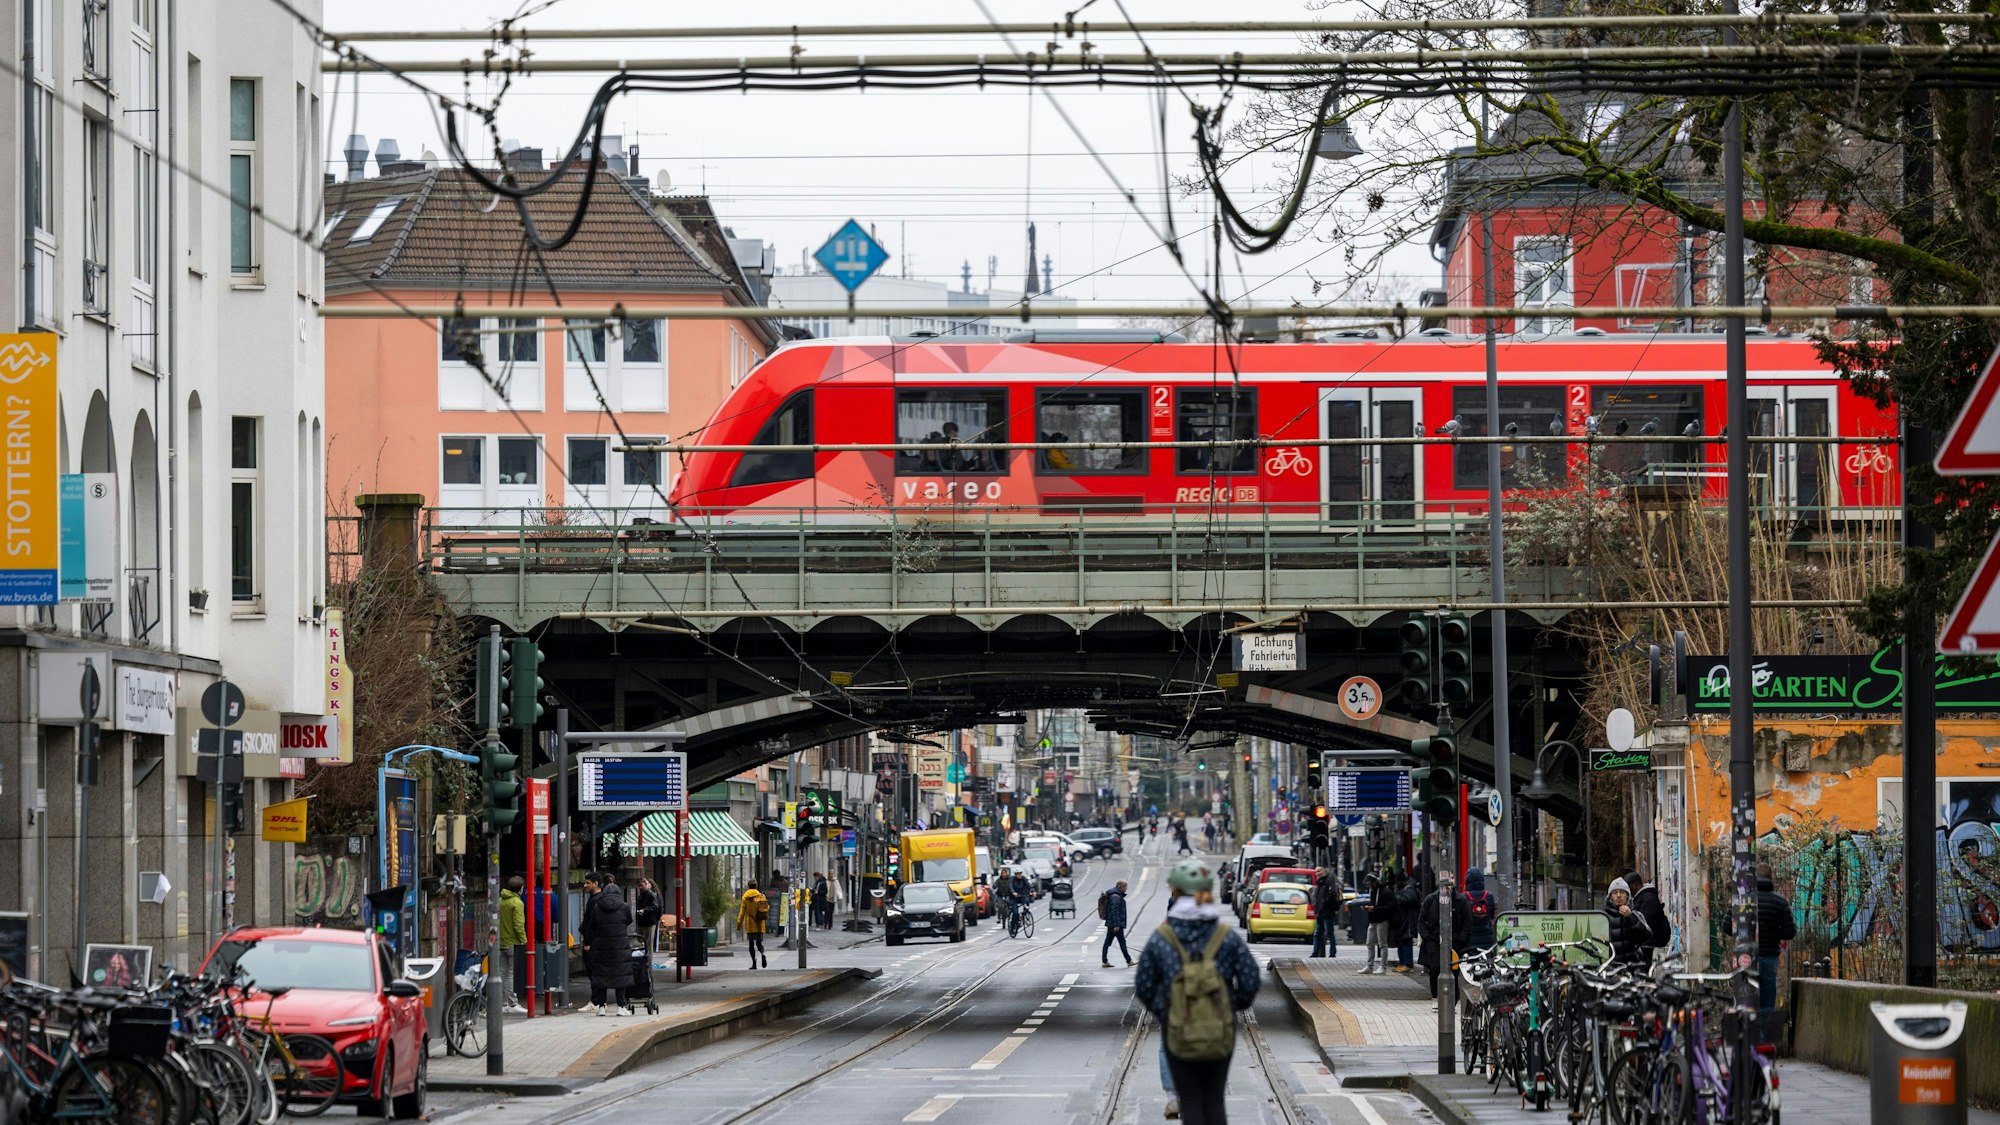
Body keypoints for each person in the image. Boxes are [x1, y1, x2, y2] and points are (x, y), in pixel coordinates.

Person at [1135, 860, 1261, 1125]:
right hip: (1220, 1030)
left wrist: (1167, 1011)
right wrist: (1229, 1006)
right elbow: (1250, 980)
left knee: (1190, 1100)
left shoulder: (1162, 938)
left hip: (1178, 1031)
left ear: (1175, 892)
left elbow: (1144, 985)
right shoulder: (1225, 936)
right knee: (1214, 1101)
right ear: (1207, 891)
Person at [578, 871, 633, 1015]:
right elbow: (629, 920)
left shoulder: (597, 907)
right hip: (619, 947)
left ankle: (601, 1007)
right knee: (620, 975)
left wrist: (588, 942)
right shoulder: (624, 907)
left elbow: (591, 925)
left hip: (601, 946)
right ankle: (621, 1007)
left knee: (601, 976)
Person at [1752, 863, 1797, 1042]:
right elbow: (1790, 932)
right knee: (1767, 1001)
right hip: (1769, 957)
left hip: (1746, 958)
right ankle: (1763, 1040)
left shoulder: (1743, 900)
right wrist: (1774, 932)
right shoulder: (1780, 901)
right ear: (1771, 878)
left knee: (1748, 999)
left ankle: (1749, 1039)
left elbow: (1726, 927)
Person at [1417, 873, 1473, 1006]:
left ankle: (1452, 1001)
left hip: (1455, 943)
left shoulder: (1461, 901)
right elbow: (1421, 922)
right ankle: (1436, 997)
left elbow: (1467, 923)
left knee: (1454, 970)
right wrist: (1428, 938)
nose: (1449, 883)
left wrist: (1461, 940)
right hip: (1434, 941)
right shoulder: (1431, 899)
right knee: (1435, 969)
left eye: (1452, 878)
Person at [1604, 877, 1655, 967]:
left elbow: (1646, 936)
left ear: (1627, 895)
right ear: (1610, 897)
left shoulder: (1636, 915)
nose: (1618, 895)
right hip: (1611, 967)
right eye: (1615, 893)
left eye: (1622, 892)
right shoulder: (1604, 917)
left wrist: (1631, 917)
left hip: (1633, 965)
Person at [1624, 869, 1672, 958]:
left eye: (1628, 888)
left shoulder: (1648, 898)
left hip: (1649, 945)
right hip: (1646, 944)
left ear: (1636, 884)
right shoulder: (1641, 897)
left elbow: (1645, 922)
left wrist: (1630, 916)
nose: (1627, 891)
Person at [499, 876, 528, 1014]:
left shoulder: (500, 901)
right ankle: (512, 1003)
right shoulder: (517, 903)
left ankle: (503, 1002)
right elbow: (518, 925)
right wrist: (524, 940)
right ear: (521, 889)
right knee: (511, 973)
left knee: (502, 973)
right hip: (513, 942)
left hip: (501, 942)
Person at [1359, 873, 1391, 974]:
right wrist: (1369, 908)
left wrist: (1375, 908)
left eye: (1370, 884)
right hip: (1373, 920)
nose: (1369, 886)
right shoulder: (1372, 891)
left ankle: (1383, 967)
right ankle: (1370, 965)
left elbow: (1390, 907)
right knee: (1369, 942)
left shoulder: (1385, 892)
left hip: (1382, 919)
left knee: (1382, 943)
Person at [1461, 868, 1499, 953]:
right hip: (1487, 937)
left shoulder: (1463, 897)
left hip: (1470, 938)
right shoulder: (1489, 896)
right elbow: (1491, 914)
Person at [737, 878, 771, 969]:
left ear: (748, 886)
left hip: (750, 924)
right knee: (759, 943)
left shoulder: (745, 898)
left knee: (751, 944)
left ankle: (754, 963)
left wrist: (739, 925)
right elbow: (767, 908)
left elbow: (742, 913)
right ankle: (763, 953)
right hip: (759, 923)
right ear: (756, 886)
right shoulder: (761, 896)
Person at [1101, 879, 1135, 967]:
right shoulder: (1116, 897)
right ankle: (1129, 961)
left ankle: (1104, 961)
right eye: (1125, 886)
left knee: (1107, 942)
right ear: (1121, 887)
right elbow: (1115, 911)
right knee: (1122, 942)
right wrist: (1116, 924)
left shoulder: (1115, 895)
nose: (1127, 888)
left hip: (1111, 923)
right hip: (1115, 924)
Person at [1310, 867, 1341, 959]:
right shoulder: (1319, 883)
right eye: (1316, 872)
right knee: (1317, 934)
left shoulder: (1329, 881)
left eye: (1319, 871)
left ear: (1323, 871)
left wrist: (1324, 902)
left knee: (1329, 933)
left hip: (1327, 912)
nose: (1317, 873)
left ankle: (1332, 953)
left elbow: (1332, 894)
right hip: (1320, 912)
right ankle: (1315, 953)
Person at [1392, 871, 1419, 973]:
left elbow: (1410, 900)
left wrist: (1396, 897)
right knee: (1400, 941)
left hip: (1408, 920)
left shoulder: (1409, 888)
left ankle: (1407, 964)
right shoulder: (1403, 888)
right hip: (1402, 919)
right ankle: (1402, 962)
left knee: (1406, 941)